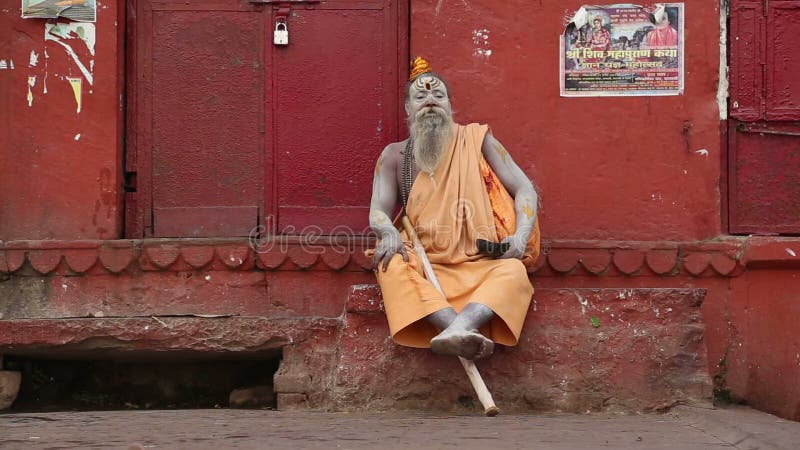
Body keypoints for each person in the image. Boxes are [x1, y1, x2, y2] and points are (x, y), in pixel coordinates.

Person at [367, 57, 539, 361]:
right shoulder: (394, 155)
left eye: (438, 96)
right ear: (407, 108)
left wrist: (521, 235)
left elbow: (524, 188)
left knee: (513, 270)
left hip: (479, 260)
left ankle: (457, 330)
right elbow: (378, 209)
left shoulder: (477, 139)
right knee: (390, 265)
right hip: (424, 260)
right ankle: (458, 331)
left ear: (450, 105)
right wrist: (388, 231)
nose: (430, 101)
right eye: (420, 97)